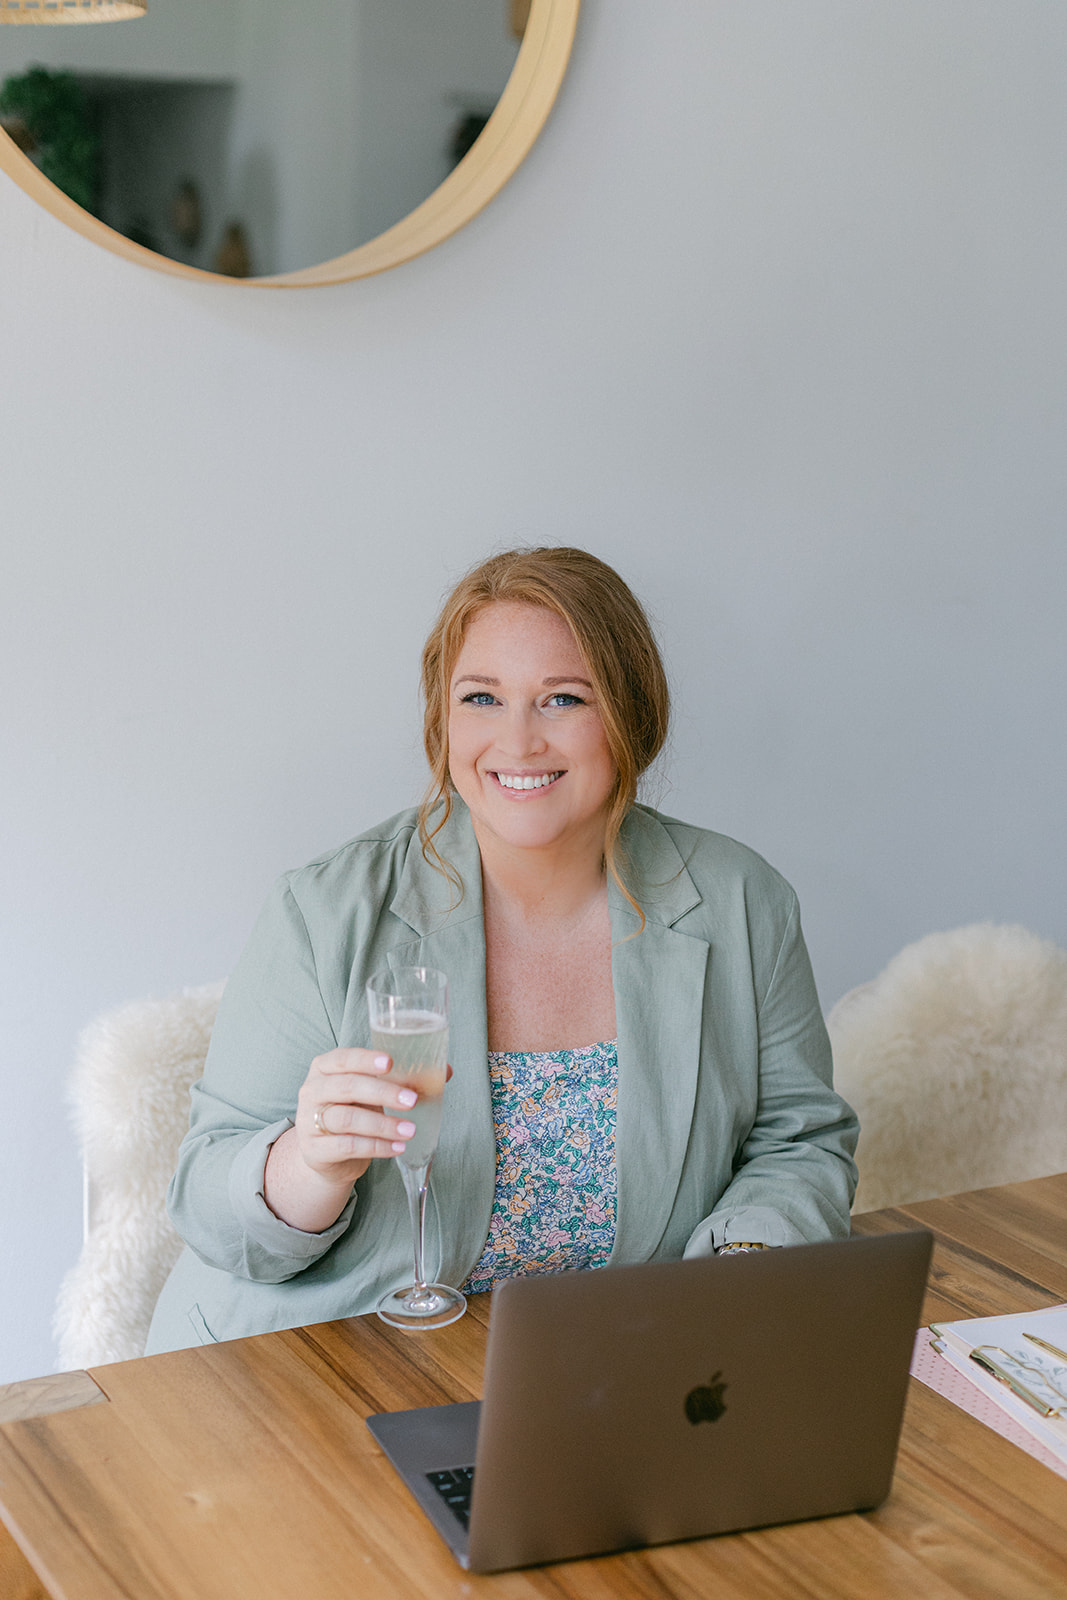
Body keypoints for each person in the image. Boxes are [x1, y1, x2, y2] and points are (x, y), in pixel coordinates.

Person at [146, 547, 858, 1354]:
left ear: (629, 715)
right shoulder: (323, 909)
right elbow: (208, 1206)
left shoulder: (740, 902)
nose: (517, 742)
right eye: (481, 697)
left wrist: (744, 1263)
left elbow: (796, 1140)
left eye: (561, 699)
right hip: (325, 1366)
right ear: (442, 719)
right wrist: (310, 1166)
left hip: (608, 1368)